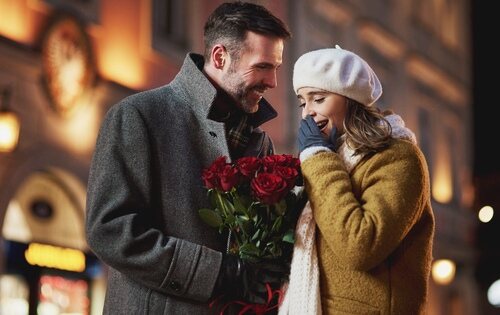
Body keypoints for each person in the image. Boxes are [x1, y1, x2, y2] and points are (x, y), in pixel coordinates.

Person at [85, 2, 291, 314]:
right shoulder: (138, 115)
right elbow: (110, 230)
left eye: (275, 68)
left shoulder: (259, 141)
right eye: (263, 66)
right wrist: (219, 272)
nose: (273, 82)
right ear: (220, 57)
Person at [279, 45, 435, 315]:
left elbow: (360, 246)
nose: (307, 113)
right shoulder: (332, 159)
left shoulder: (398, 157)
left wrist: (318, 158)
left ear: (350, 99)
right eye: (303, 102)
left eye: (318, 99)